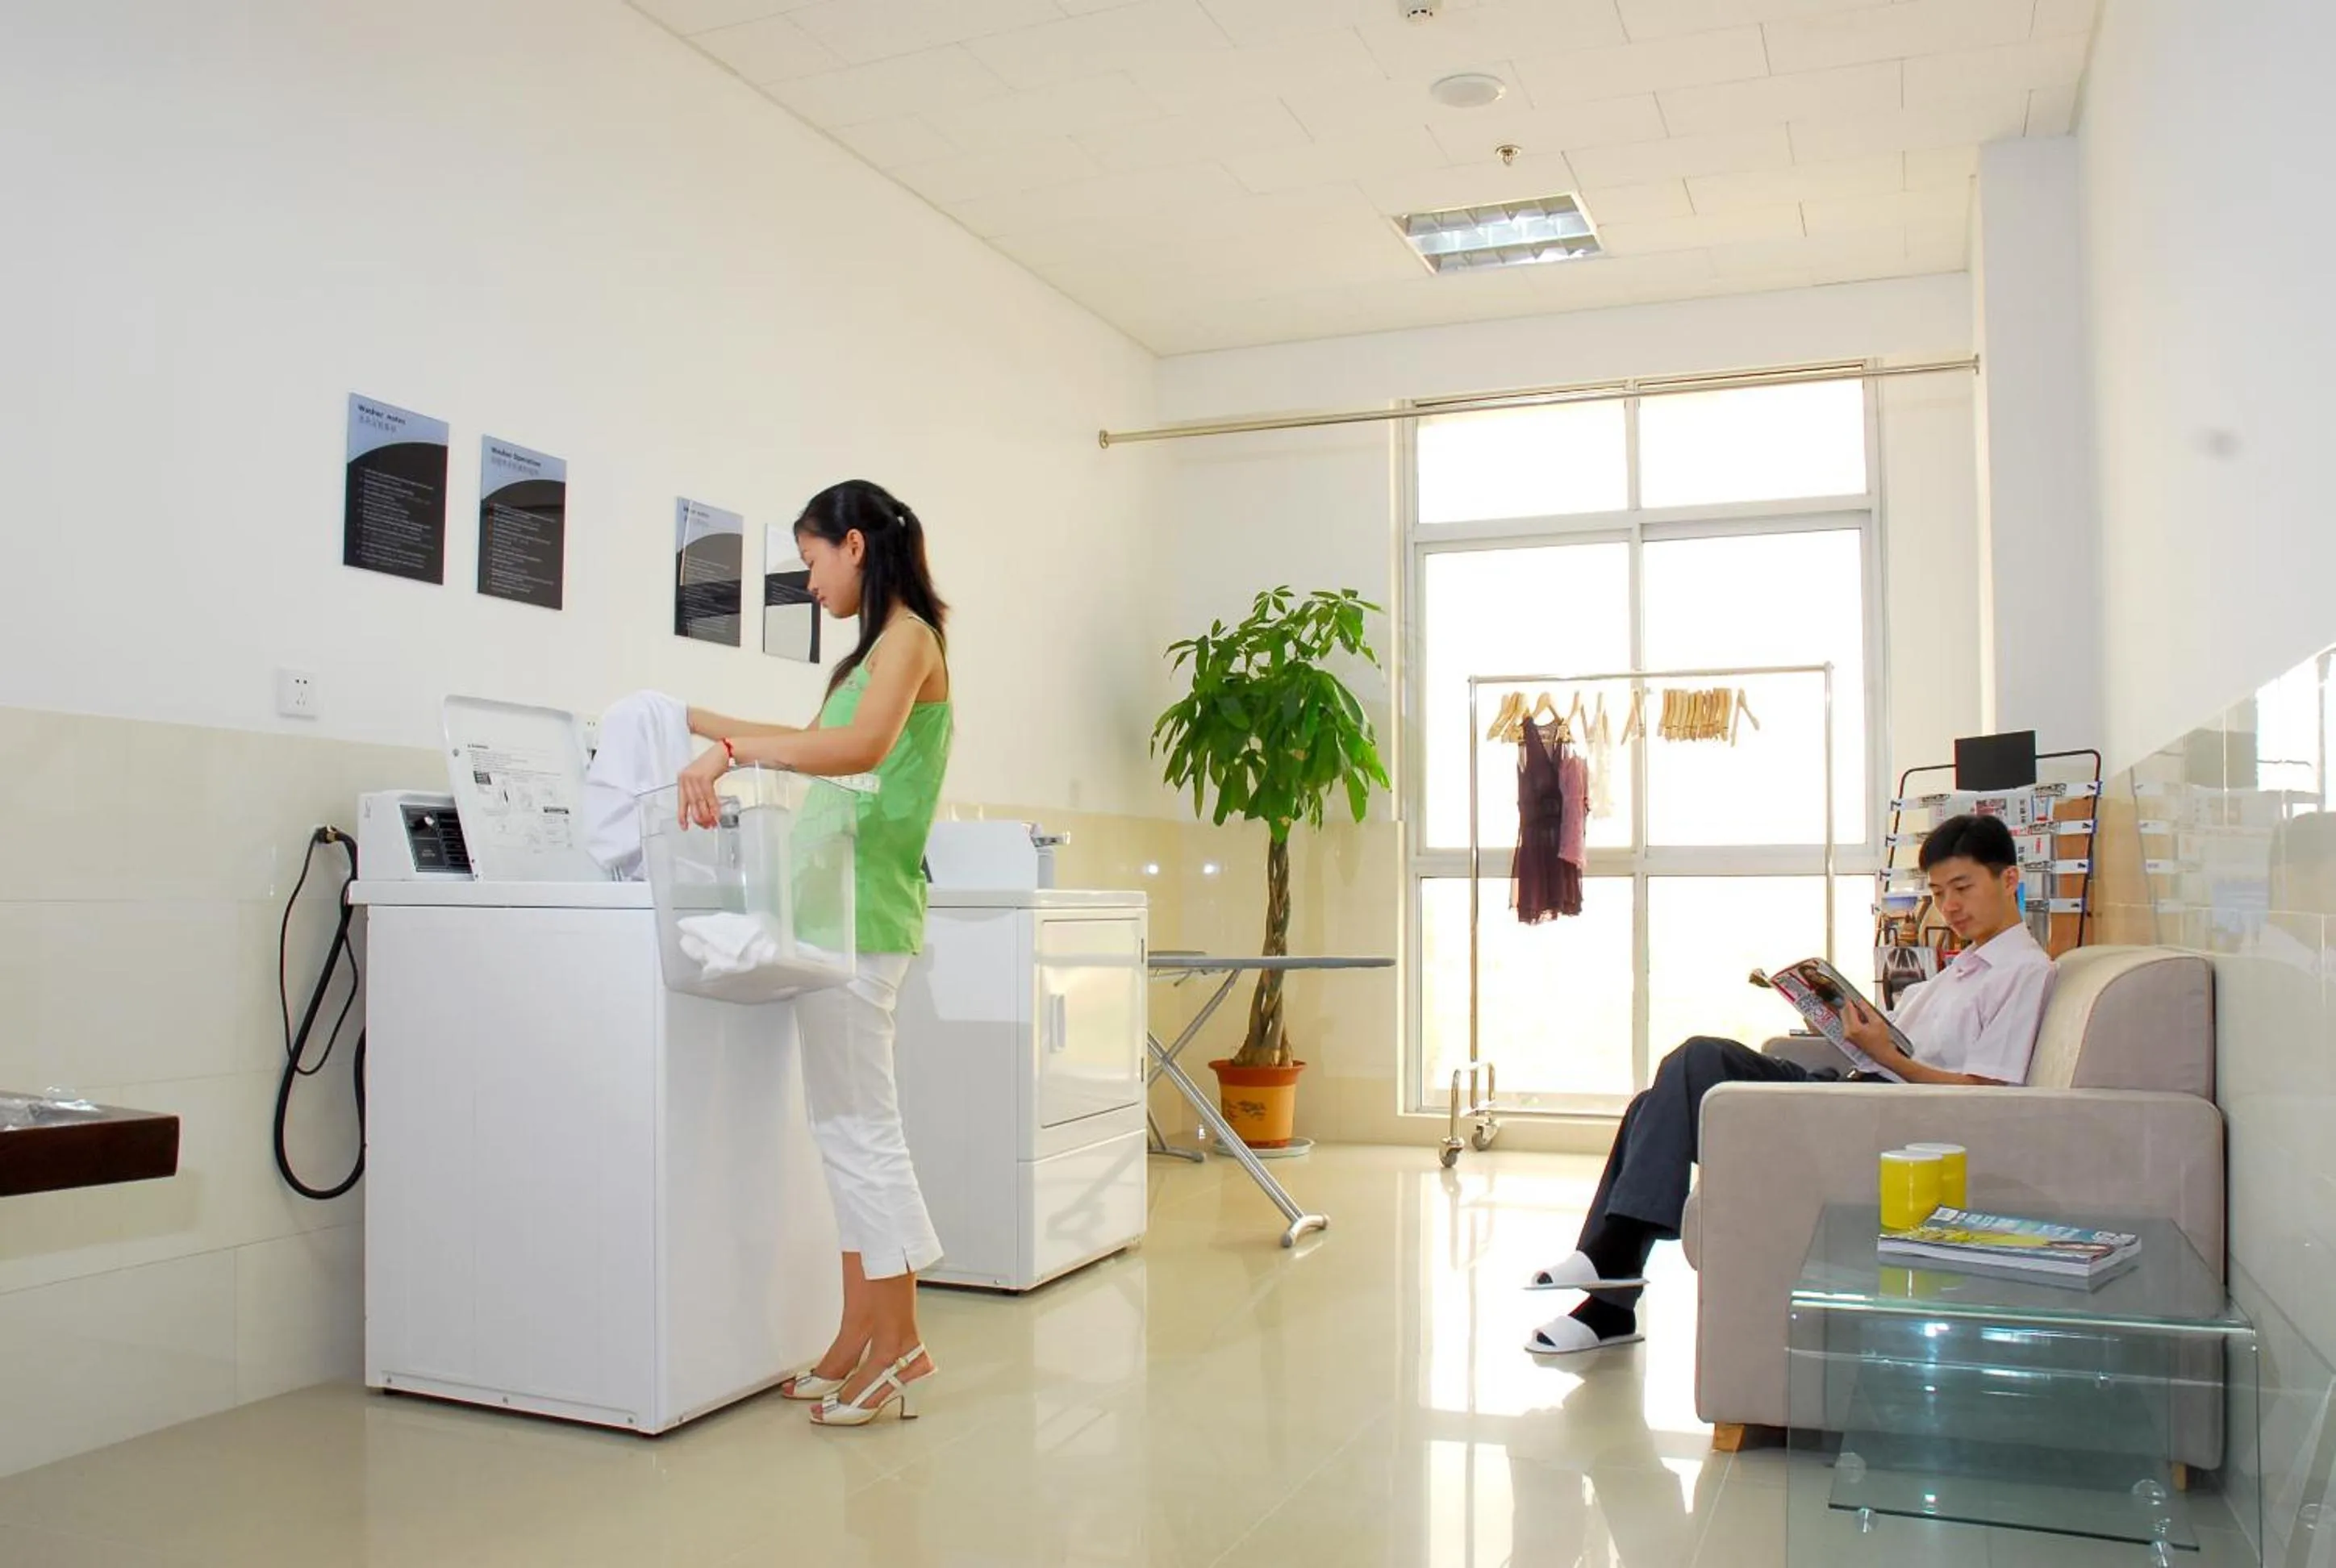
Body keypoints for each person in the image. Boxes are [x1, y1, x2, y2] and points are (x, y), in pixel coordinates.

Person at [1525, 812, 2054, 1356]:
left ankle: (1610, 1275)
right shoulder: (1964, 967)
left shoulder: (2022, 972)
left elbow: (1987, 1094)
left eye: (1962, 888)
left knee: (1699, 1059)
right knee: (1658, 1098)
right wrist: (1848, 1029)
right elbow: (1904, 1050)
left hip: (1883, 1117)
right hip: (1854, 1087)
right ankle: (1609, 1301)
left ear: (2009, 880)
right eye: (1940, 894)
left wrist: (1881, 1053)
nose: (1951, 908)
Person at [675, 479, 952, 1427]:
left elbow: (861, 752)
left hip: (863, 919)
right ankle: (857, 1337)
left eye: (810, 557)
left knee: (863, 1134)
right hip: (834, 918)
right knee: (845, 1135)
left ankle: (902, 1346)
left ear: (855, 548)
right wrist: (699, 724)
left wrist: (730, 754)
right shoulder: (870, 654)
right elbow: (816, 740)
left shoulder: (909, 637)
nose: (808, 578)